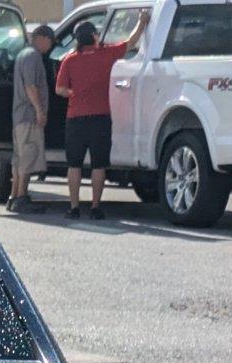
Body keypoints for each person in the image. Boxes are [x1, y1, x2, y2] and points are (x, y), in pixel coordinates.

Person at [54, 14, 146, 220]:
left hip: (75, 117)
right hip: (100, 117)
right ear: (94, 36)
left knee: (74, 164)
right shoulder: (106, 54)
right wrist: (142, 21)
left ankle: (74, 207)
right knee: (98, 165)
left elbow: (59, 89)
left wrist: (73, 93)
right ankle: (96, 207)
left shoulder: (70, 60)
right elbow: (131, 42)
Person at [8, 24, 55, 215]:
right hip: (28, 115)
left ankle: (14, 197)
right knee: (28, 155)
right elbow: (30, 86)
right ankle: (21, 197)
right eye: (50, 43)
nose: (49, 48)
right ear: (43, 38)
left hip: (19, 116)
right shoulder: (33, 56)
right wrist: (40, 111)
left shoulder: (22, 54)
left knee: (19, 159)